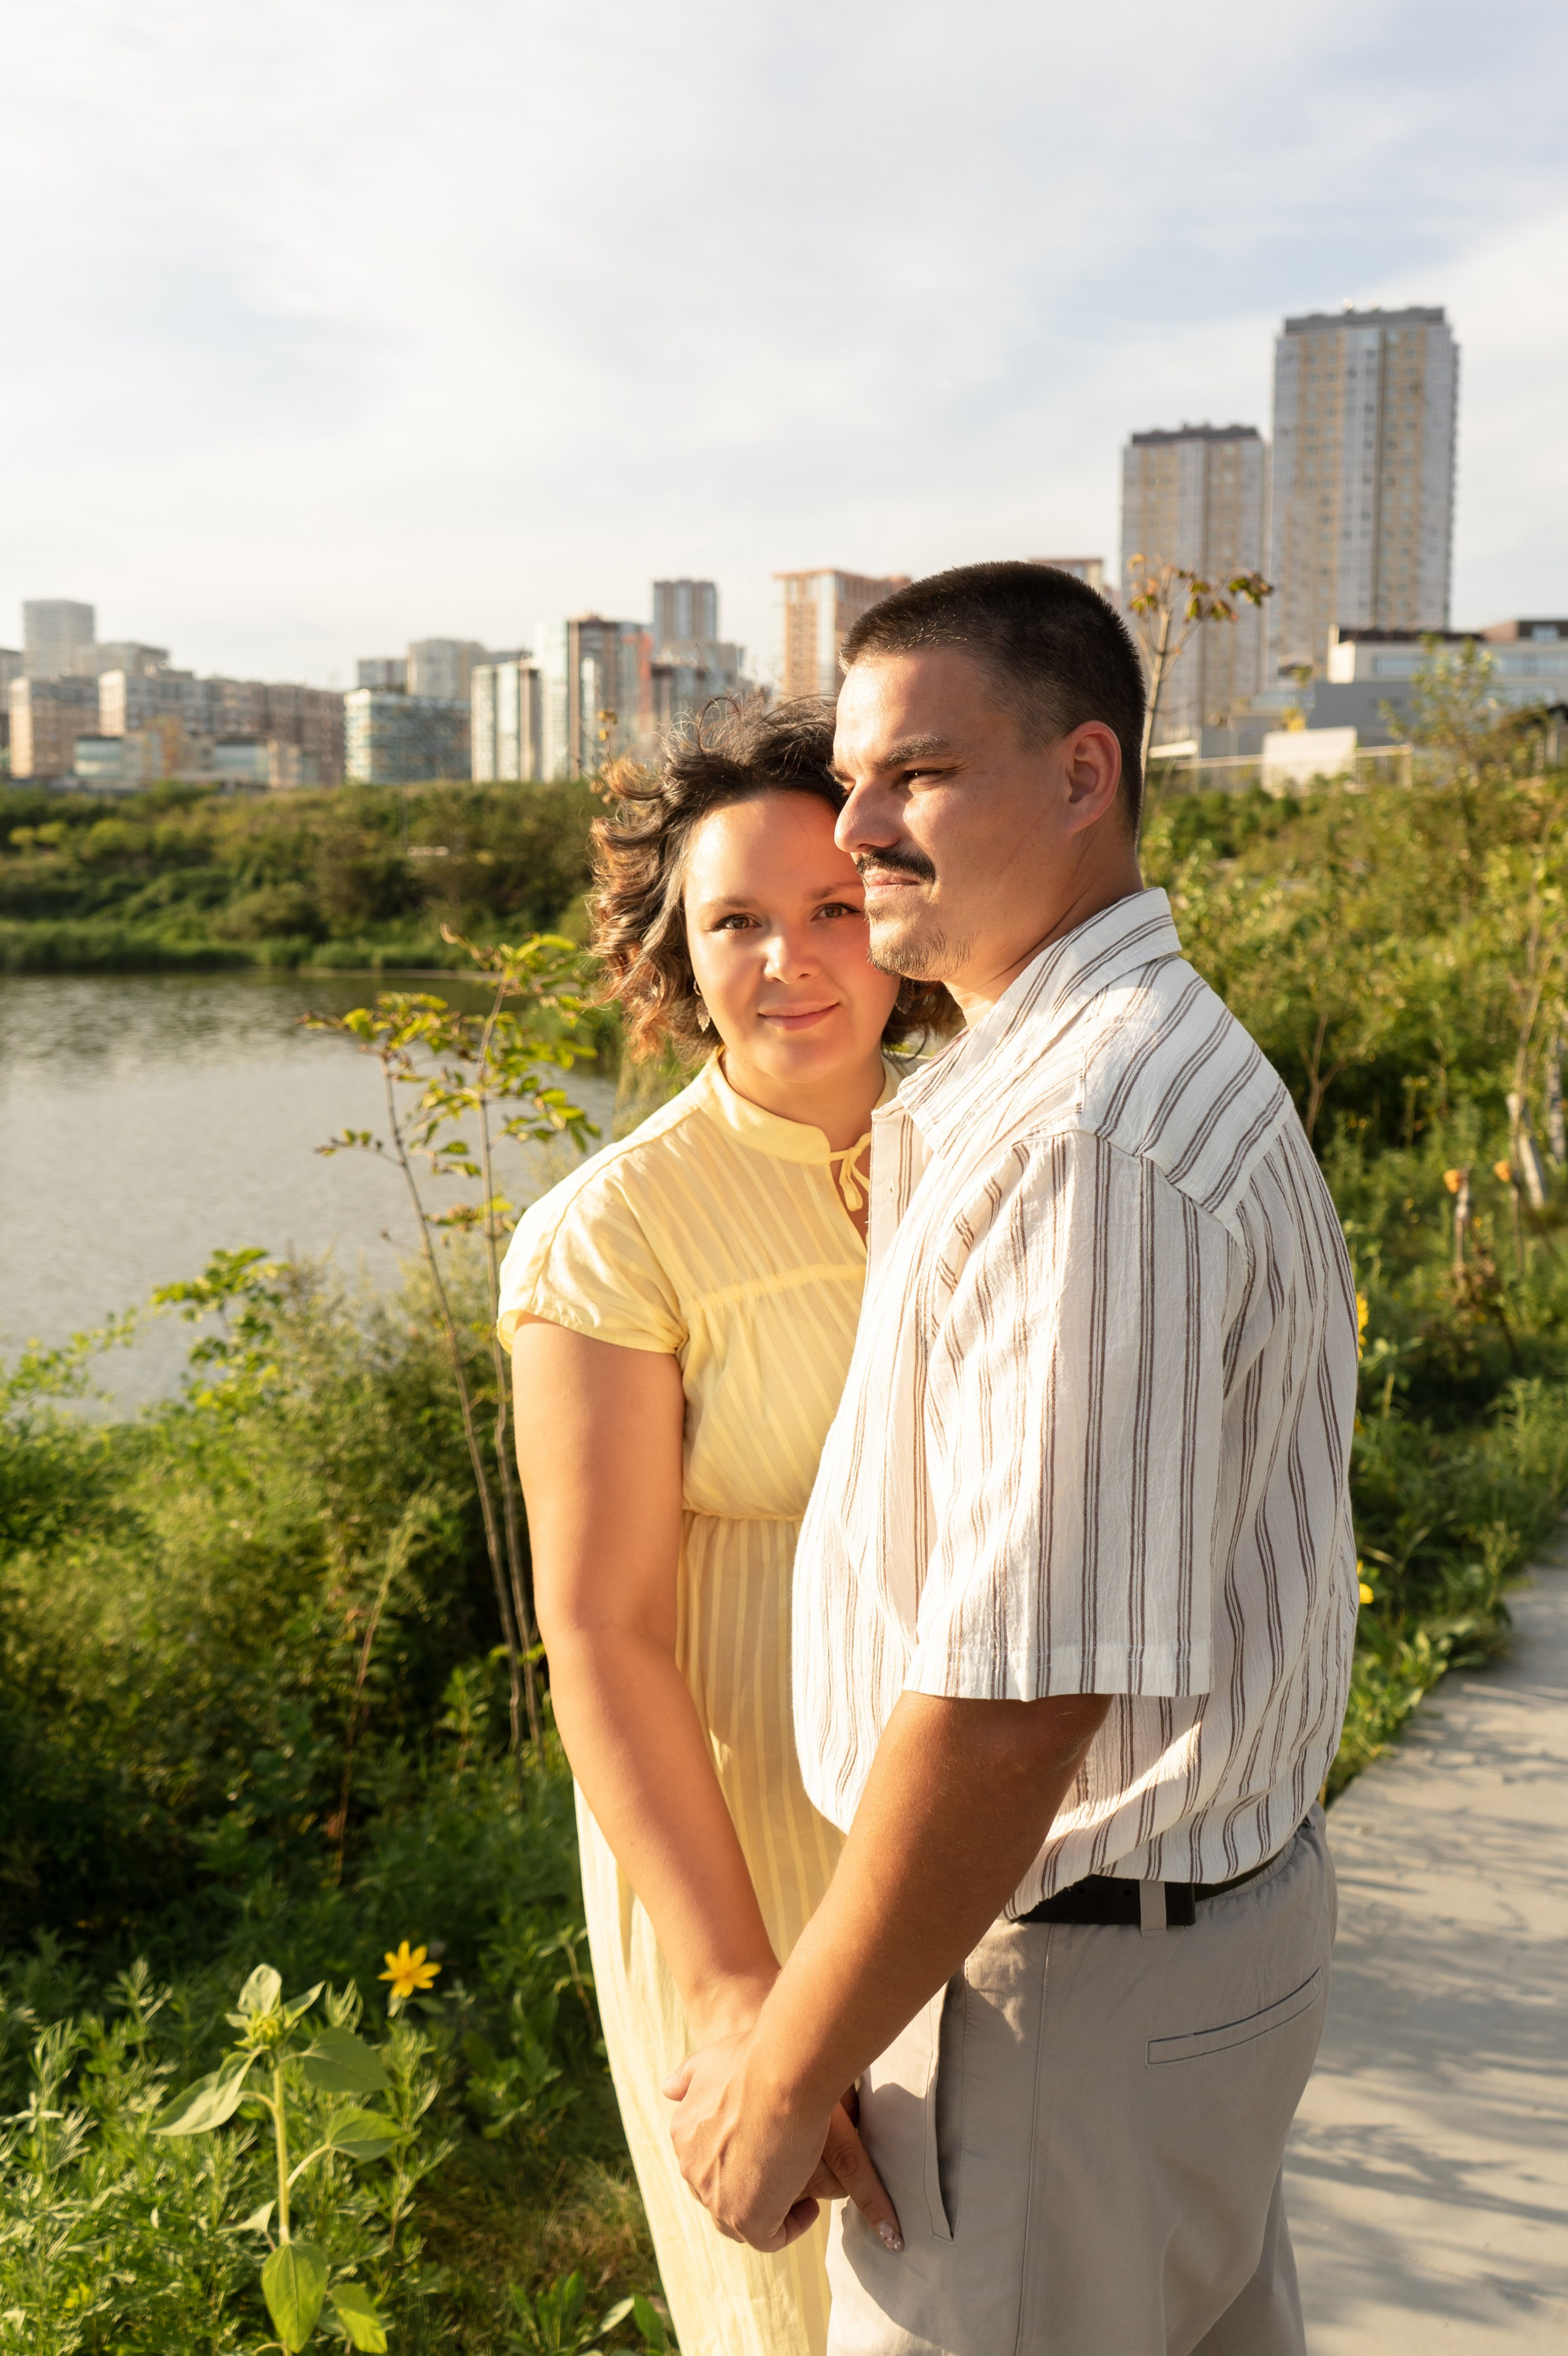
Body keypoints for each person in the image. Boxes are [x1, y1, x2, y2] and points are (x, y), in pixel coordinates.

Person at [666, 563, 1360, 2356]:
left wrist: (785, 2068)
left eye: (919, 776)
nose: (859, 826)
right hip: (1161, 1966)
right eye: (852, 778)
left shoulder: (1092, 1135)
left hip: (1073, 2000)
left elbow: (1014, 1699)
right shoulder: (1074, 1073)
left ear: (1082, 775)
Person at [501, 703, 954, 2356]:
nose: (791, 960)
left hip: (974, 1817)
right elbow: (602, 1634)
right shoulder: (610, 1235)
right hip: (747, 1846)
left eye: (833, 904)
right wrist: (732, 1991)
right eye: (735, 922)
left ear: (903, 905)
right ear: (673, 957)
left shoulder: (987, 1151)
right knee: (807, 2312)